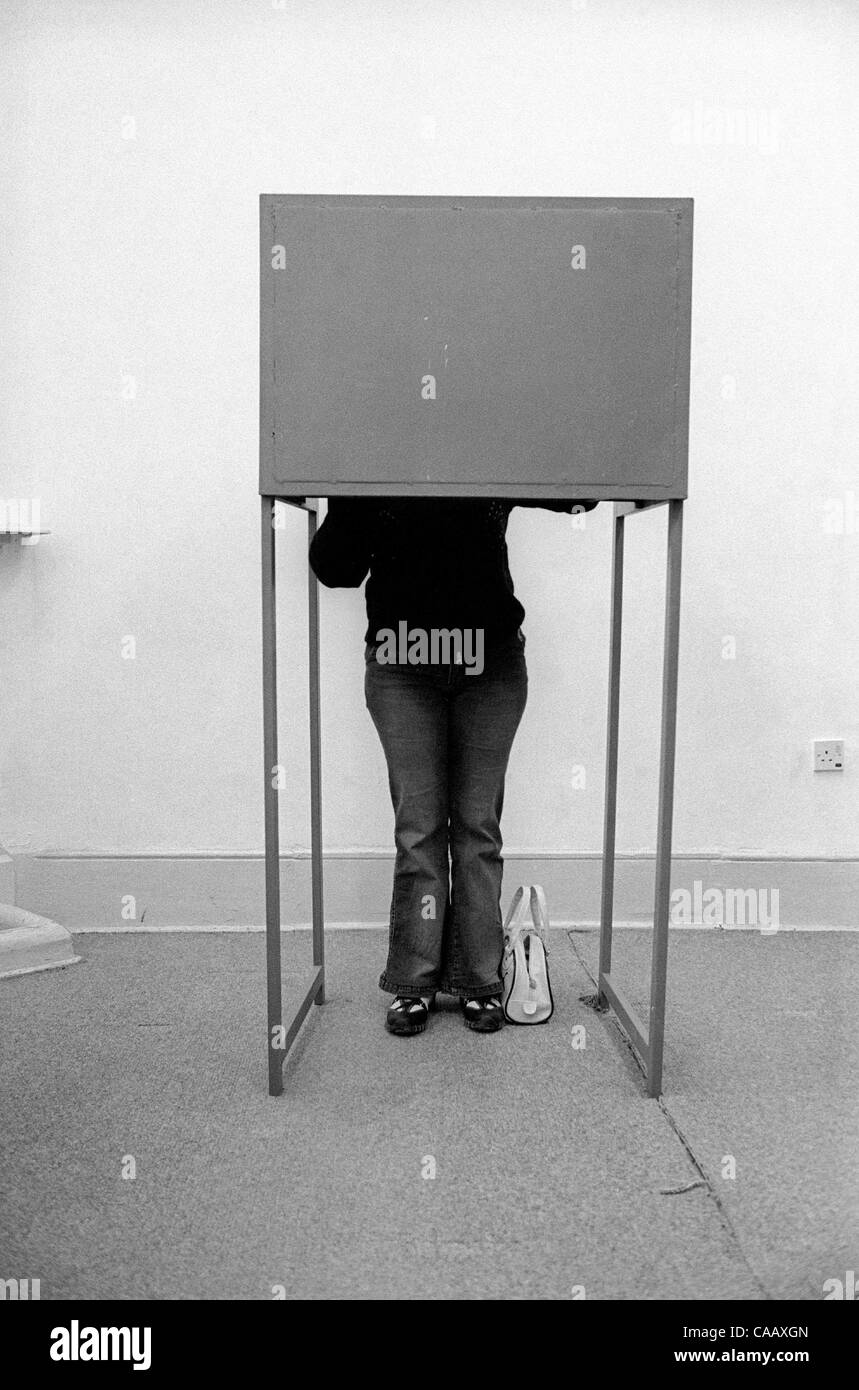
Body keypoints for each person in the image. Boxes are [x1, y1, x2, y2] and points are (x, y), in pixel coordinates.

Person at [309, 495, 599, 1037]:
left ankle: (477, 980)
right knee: (419, 830)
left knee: (477, 829)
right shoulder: (380, 456)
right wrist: (352, 487)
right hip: (403, 662)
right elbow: (336, 567)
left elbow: (578, 494)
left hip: (489, 664)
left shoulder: (484, 436)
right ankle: (414, 984)